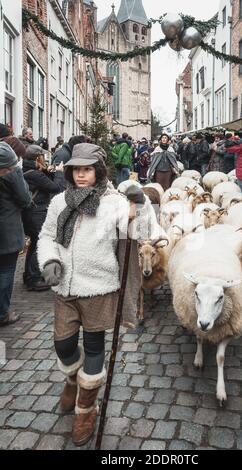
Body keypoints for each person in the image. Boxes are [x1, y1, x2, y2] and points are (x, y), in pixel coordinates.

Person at [37, 143, 160, 446]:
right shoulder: (59, 202)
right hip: (64, 288)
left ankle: (85, 410)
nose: (81, 175)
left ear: (99, 171)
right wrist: (49, 260)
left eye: (87, 169)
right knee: (63, 345)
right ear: (69, 171)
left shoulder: (114, 203)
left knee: (93, 347)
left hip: (99, 289)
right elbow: (47, 237)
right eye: (76, 169)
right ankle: (70, 379)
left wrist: (140, 205)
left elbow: (141, 231)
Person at [22, 145, 65, 291]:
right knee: (38, 243)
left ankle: (28, 275)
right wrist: (59, 173)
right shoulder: (34, 174)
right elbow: (56, 188)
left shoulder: (28, 170)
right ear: (38, 158)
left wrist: (48, 171)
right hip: (37, 212)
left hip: (31, 212)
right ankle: (33, 279)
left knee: (34, 243)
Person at [0, 143, 32, 327]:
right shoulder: (11, 174)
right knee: (5, 271)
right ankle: (3, 313)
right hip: (7, 229)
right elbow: (25, 199)